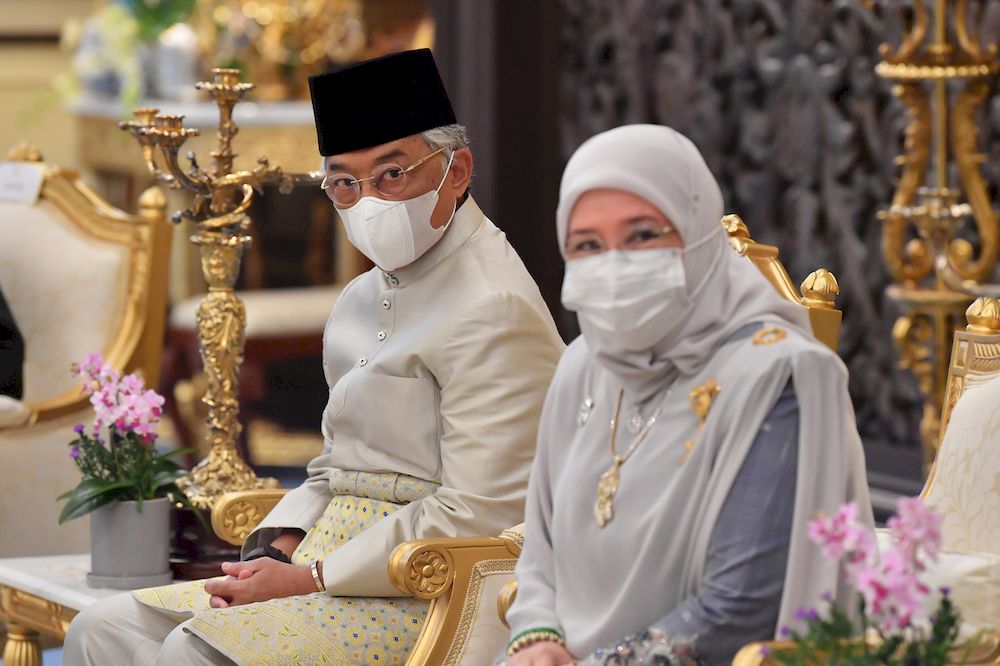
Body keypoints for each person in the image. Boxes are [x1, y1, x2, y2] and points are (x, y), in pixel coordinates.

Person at [65, 48, 565, 666]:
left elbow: (482, 513)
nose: (369, 201)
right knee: (103, 630)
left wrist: (311, 578)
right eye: (344, 183)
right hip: (321, 561)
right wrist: (279, 545)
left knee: (189, 654)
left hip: (425, 589)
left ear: (456, 170)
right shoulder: (359, 297)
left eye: (392, 174)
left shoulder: (494, 306)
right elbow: (333, 467)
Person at [503, 124, 872, 666]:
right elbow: (539, 555)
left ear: (698, 236)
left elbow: (738, 610)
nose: (614, 263)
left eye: (642, 236)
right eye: (588, 245)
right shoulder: (582, 364)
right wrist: (535, 638)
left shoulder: (779, 376)